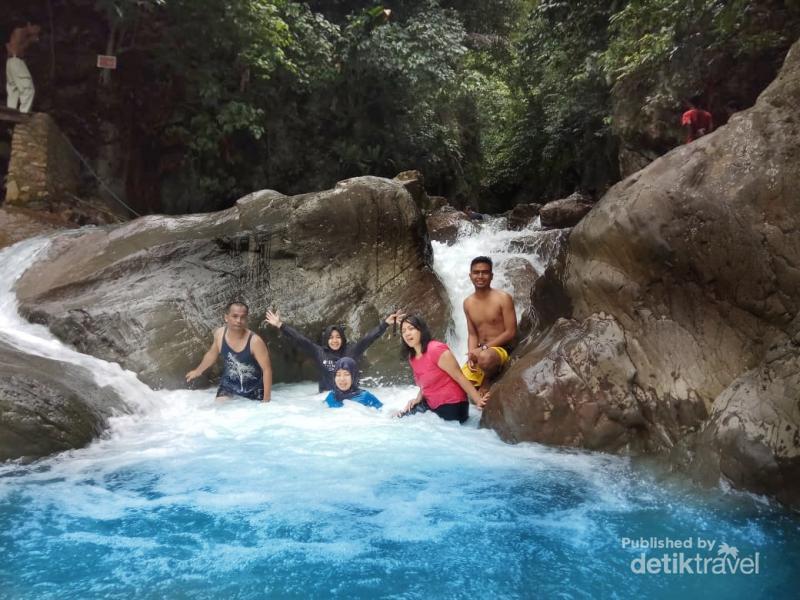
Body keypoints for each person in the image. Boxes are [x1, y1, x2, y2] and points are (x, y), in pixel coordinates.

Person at [263, 309, 403, 392]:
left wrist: (385, 324)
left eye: (337, 337)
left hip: (350, 399)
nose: (334, 340)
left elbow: (368, 338)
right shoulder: (319, 352)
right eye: (331, 337)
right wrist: (280, 325)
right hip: (326, 398)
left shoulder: (352, 350)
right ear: (326, 339)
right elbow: (300, 339)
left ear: (342, 338)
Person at [397, 315, 487, 423]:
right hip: (431, 404)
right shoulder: (412, 357)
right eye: (403, 331)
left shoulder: (435, 349)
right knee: (398, 419)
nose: (407, 333)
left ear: (421, 330)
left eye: (411, 328)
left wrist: (478, 400)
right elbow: (425, 384)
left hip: (452, 405)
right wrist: (417, 399)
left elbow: (459, 376)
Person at [186, 301, 272, 402]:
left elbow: (267, 370)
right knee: (219, 411)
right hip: (229, 386)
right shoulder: (220, 334)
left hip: (253, 389)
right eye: (234, 316)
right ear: (226, 317)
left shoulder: (255, 341)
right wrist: (198, 370)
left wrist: (266, 399)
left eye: (242, 317)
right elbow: (212, 354)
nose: (239, 320)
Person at [462, 256, 517, 393]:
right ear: (470, 275)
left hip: (500, 350)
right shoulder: (467, 303)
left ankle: (487, 382)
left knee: (485, 357)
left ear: (491, 276)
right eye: (476, 272)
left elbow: (511, 332)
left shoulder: (503, 298)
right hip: (480, 351)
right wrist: (471, 354)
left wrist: (483, 349)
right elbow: (473, 333)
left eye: (485, 272)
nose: (480, 276)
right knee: (456, 383)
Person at [6, 22, 40, 113]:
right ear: (29, 24)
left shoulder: (20, 33)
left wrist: (29, 41)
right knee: (28, 89)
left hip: (11, 62)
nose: (37, 32)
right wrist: (30, 40)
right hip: (16, 61)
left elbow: (15, 47)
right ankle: (24, 114)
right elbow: (15, 49)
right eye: (36, 28)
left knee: (14, 90)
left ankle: (11, 114)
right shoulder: (20, 31)